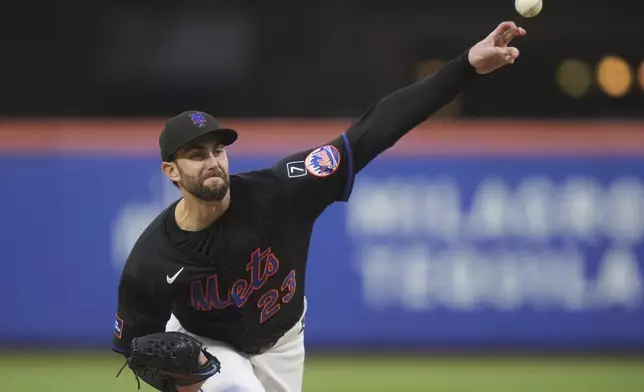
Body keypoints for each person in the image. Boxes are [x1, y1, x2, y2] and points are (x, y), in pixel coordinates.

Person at [111, 21, 527, 392]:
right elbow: (138, 351)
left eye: (218, 149)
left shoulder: (281, 191)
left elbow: (374, 129)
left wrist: (465, 67)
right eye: (197, 155)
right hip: (207, 346)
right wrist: (184, 380)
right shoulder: (151, 259)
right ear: (171, 171)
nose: (213, 161)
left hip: (283, 339)